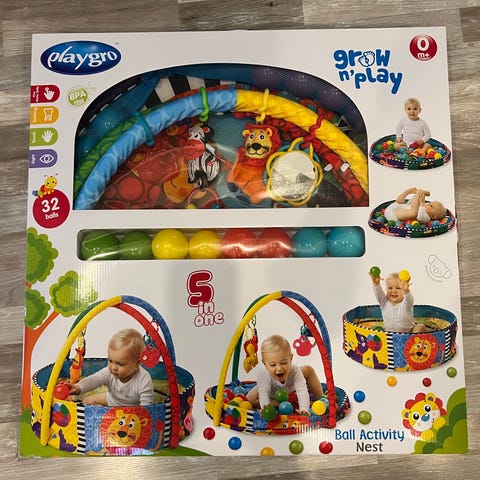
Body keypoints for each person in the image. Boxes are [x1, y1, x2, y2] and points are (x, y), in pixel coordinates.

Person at [66, 328, 154, 406]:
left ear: (137, 364)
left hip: (133, 410)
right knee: (87, 401)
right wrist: (78, 387)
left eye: (121, 364)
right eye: (110, 361)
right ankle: (103, 414)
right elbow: (94, 379)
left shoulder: (143, 379)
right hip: (112, 401)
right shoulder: (109, 372)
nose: (114, 367)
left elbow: (147, 407)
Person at [246, 334, 324, 414]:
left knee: (308, 369)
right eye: (273, 365)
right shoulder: (264, 374)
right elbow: (264, 392)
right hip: (272, 393)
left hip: (289, 387)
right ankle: (282, 404)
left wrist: (304, 409)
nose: (279, 368)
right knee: (250, 398)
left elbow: (302, 390)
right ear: (265, 364)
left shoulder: (295, 371)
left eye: (283, 363)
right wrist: (265, 407)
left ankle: (322, 398)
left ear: (291, 358)